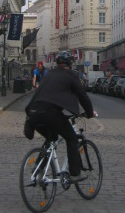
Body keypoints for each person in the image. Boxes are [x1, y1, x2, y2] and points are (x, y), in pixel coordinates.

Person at [25, 51, 96, 182]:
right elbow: (82, 96)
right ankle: (75, 173)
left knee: (51, 138)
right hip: (49, 113)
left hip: (32, 113)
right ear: (71, 64)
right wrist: (90, 112)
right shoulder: (71, 75)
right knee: (72, 138)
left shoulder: (49, 74)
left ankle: (38, 168)